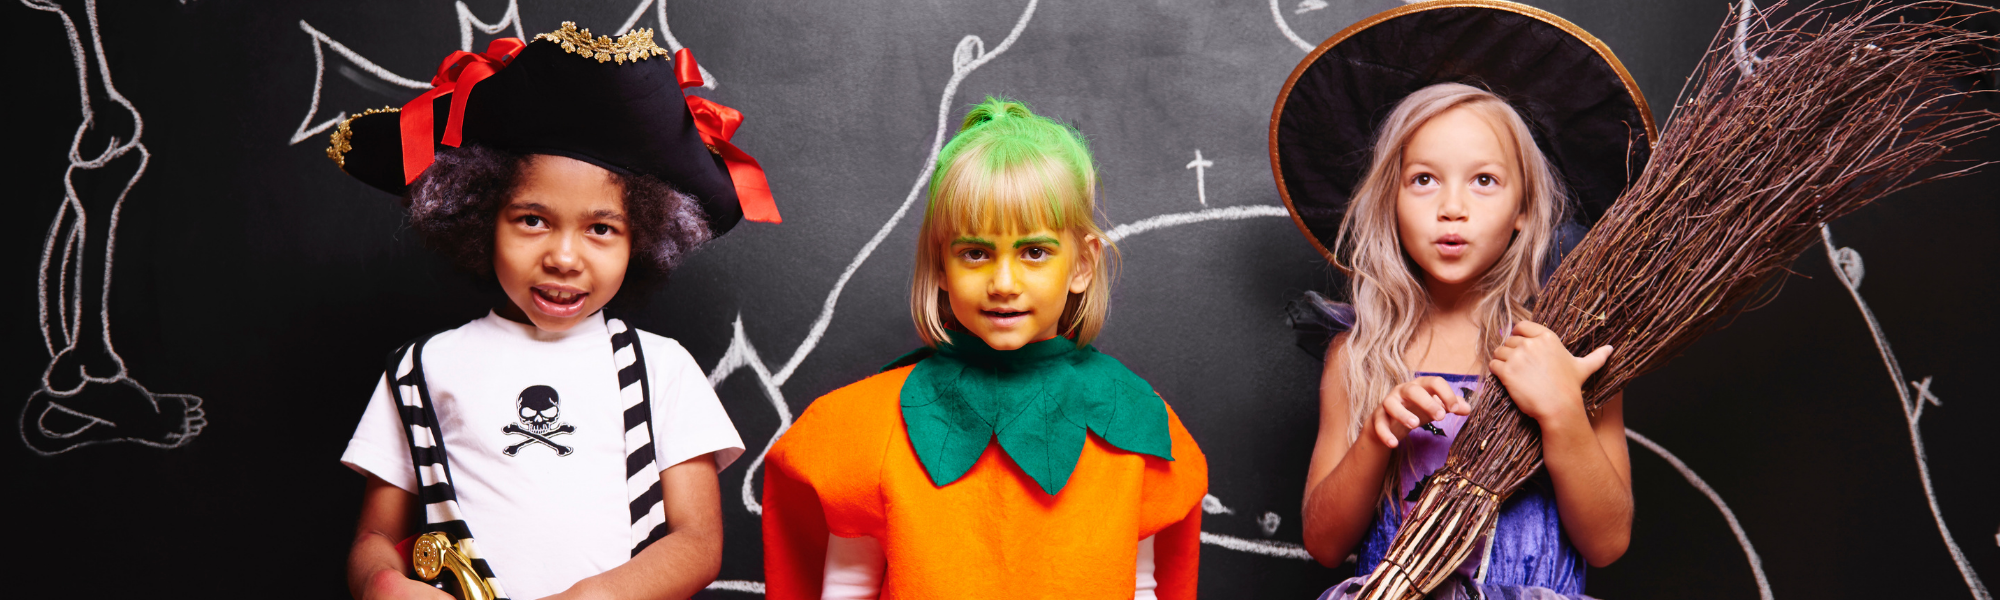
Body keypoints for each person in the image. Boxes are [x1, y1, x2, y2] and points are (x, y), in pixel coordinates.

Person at [328, 23, 779, 600]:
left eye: (600, 228)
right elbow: (374, 533)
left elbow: (696, 543)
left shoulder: (662, 368)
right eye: (532, 220)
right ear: (478, 218)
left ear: (641, 238)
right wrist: (381, 584)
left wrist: (595, 596)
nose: (564, 258)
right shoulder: (423, 367)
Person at [1270, 3, 1655, 598]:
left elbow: (1608, 543)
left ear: (1525, 210)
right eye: (1424, 180)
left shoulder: (1567, 349)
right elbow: (1324, 544)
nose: (1453, 207)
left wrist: (1560, 408)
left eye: (1485, 181)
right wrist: (1378, 434)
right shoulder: (1360, 354)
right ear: (1390, 205)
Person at [759, 98, 1207, 600]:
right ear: (940, 267)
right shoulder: (866, 427)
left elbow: (1141, 585)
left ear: (1083, 263)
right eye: (975, 253)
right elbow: (848, 584)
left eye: (1034, 252)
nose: (1003, 283)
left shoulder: (1134, 419)